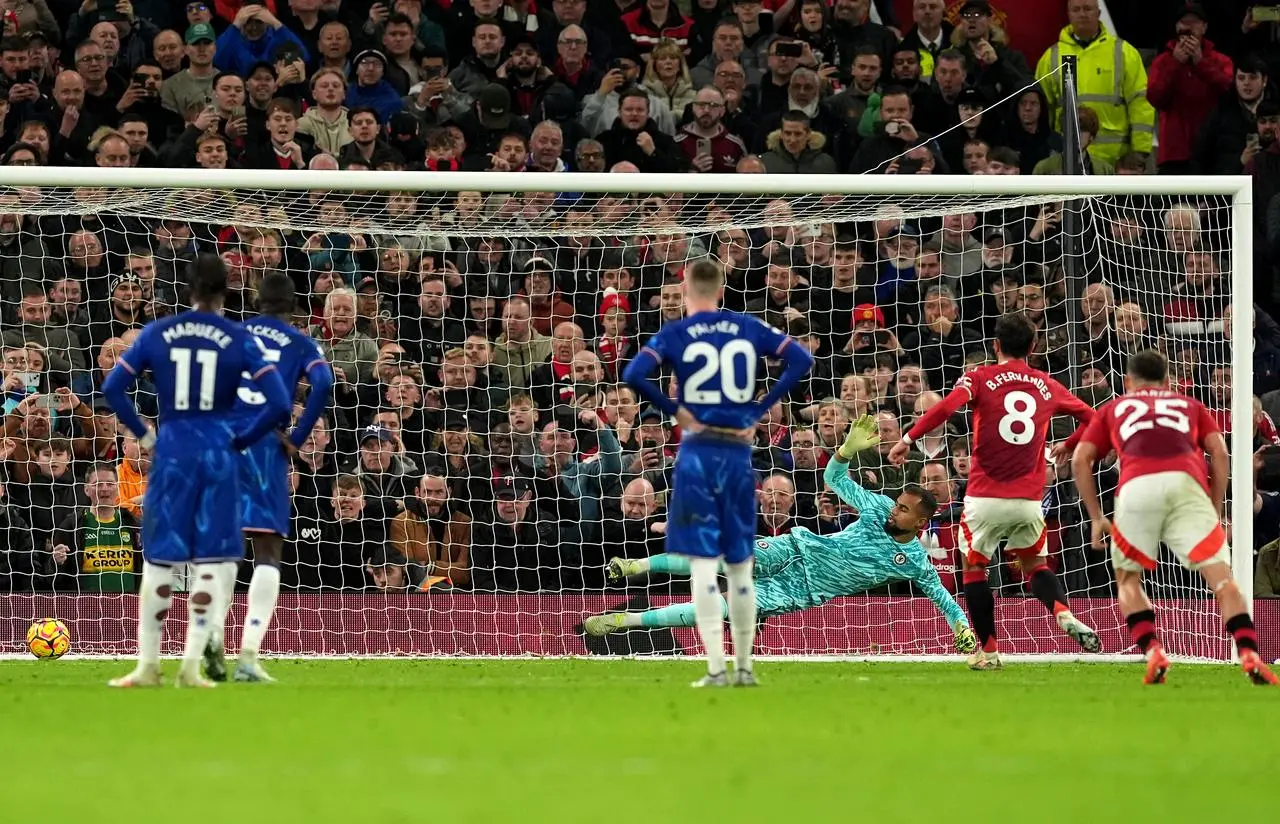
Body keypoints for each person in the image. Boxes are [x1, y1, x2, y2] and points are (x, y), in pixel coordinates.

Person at [588, 416, 977, 656]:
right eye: (898, 504)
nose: (895, 510)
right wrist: (844, 450)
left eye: (905, 511)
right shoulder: (877, 507)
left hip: (800, 590)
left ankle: (626, 621)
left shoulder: (915, 562)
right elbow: (835, 479)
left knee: (718, 609)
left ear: (920, 524)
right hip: (795, 547)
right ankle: (634, 565)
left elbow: (944, 600)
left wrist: (962, 630)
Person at [100, 253, 291, 689]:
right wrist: (240, 439)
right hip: (218, 452)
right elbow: (280, 403)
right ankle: (190, 664)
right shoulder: (238, 338)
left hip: (172, 450)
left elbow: (113, 386)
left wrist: (145, 436)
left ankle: (148, 665)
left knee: (159, 559)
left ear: (188, 290)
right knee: (213, 558)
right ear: (227, 291)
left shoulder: (159, 332)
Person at [621, 258, 813, 687]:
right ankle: (745, 668)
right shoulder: (748, 327)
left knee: (704, 567)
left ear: (687, 292)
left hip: (696, 456)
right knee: (741, 567)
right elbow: (801, 360)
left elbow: (633, 372)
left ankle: (715, 669)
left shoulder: (676, 333)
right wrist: (760, 408)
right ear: (722, 290)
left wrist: (676, 411)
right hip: (736, 455)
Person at [888, 313, 1098, 670]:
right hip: (1029, 501)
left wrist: (909, 438)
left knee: (974, 567)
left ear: (995, 346)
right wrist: (1068, 444)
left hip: (984, 496)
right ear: (1033, 347)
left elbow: (945, 407)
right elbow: (1094, 418)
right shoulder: (1046, 384)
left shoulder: (979, 378)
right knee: (1035, 564)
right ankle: (1062, 611)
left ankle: (988, 652)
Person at [1070, 350, 1277, 686]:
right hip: (1186, 485)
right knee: (1222, 580)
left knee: (1128, 580)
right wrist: (1215, 507)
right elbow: (1220, 453)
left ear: (1128, 382)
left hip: (1136, 487)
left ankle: (1153, 650)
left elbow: (1081, 460)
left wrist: (1096, 516)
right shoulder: (1189, 405)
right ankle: (1249, 652)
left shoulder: (1116, 407)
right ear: (1168, 383)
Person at [203, 273, 335, 684]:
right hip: (264, 445)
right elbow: (324, 382)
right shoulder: (299, 342)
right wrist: (296, 437)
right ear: (293, 308)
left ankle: (211, 638)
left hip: (222, 442)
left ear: (257, 303)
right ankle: (248, 657)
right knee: (266, 548)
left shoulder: (231, 335)